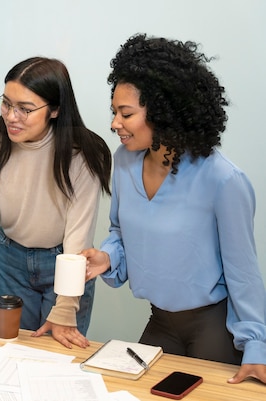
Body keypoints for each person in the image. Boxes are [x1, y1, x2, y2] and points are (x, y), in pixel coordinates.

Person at [82, 33, 266, 385]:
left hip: (213, 328)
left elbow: (244, 274)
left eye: (126, 113)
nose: (114, 123)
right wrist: (108, 258)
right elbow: (121, 232)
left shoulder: (223, 180)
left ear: (164, 112)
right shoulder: (124, 162)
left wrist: (257, 347)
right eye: (114, 112)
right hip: (160, 322)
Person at [0, 57, 111, 349]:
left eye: (25, 109)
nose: (12, 116)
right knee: (15, 350)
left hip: (65, 262)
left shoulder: (82, 154)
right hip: (10, 259)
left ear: (55, 110)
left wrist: (65, 307)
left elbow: (79, 235)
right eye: (6, 103)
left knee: (56, 353)